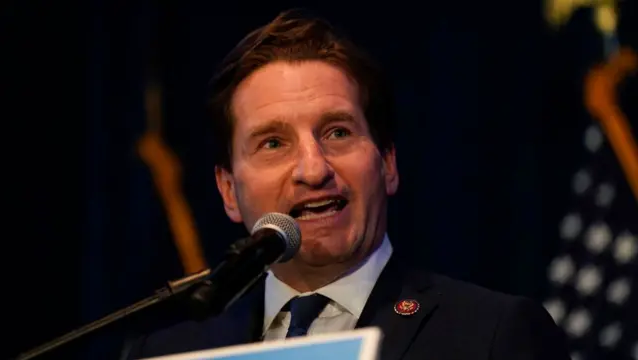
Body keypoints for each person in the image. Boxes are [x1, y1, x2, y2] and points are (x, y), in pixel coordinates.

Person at [123, 9, 570, 360]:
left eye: (337, 132)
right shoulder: (170, 352)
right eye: (273, 142)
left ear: (388, 163)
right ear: (227, 191)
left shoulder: (490, 336)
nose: (313, 169)